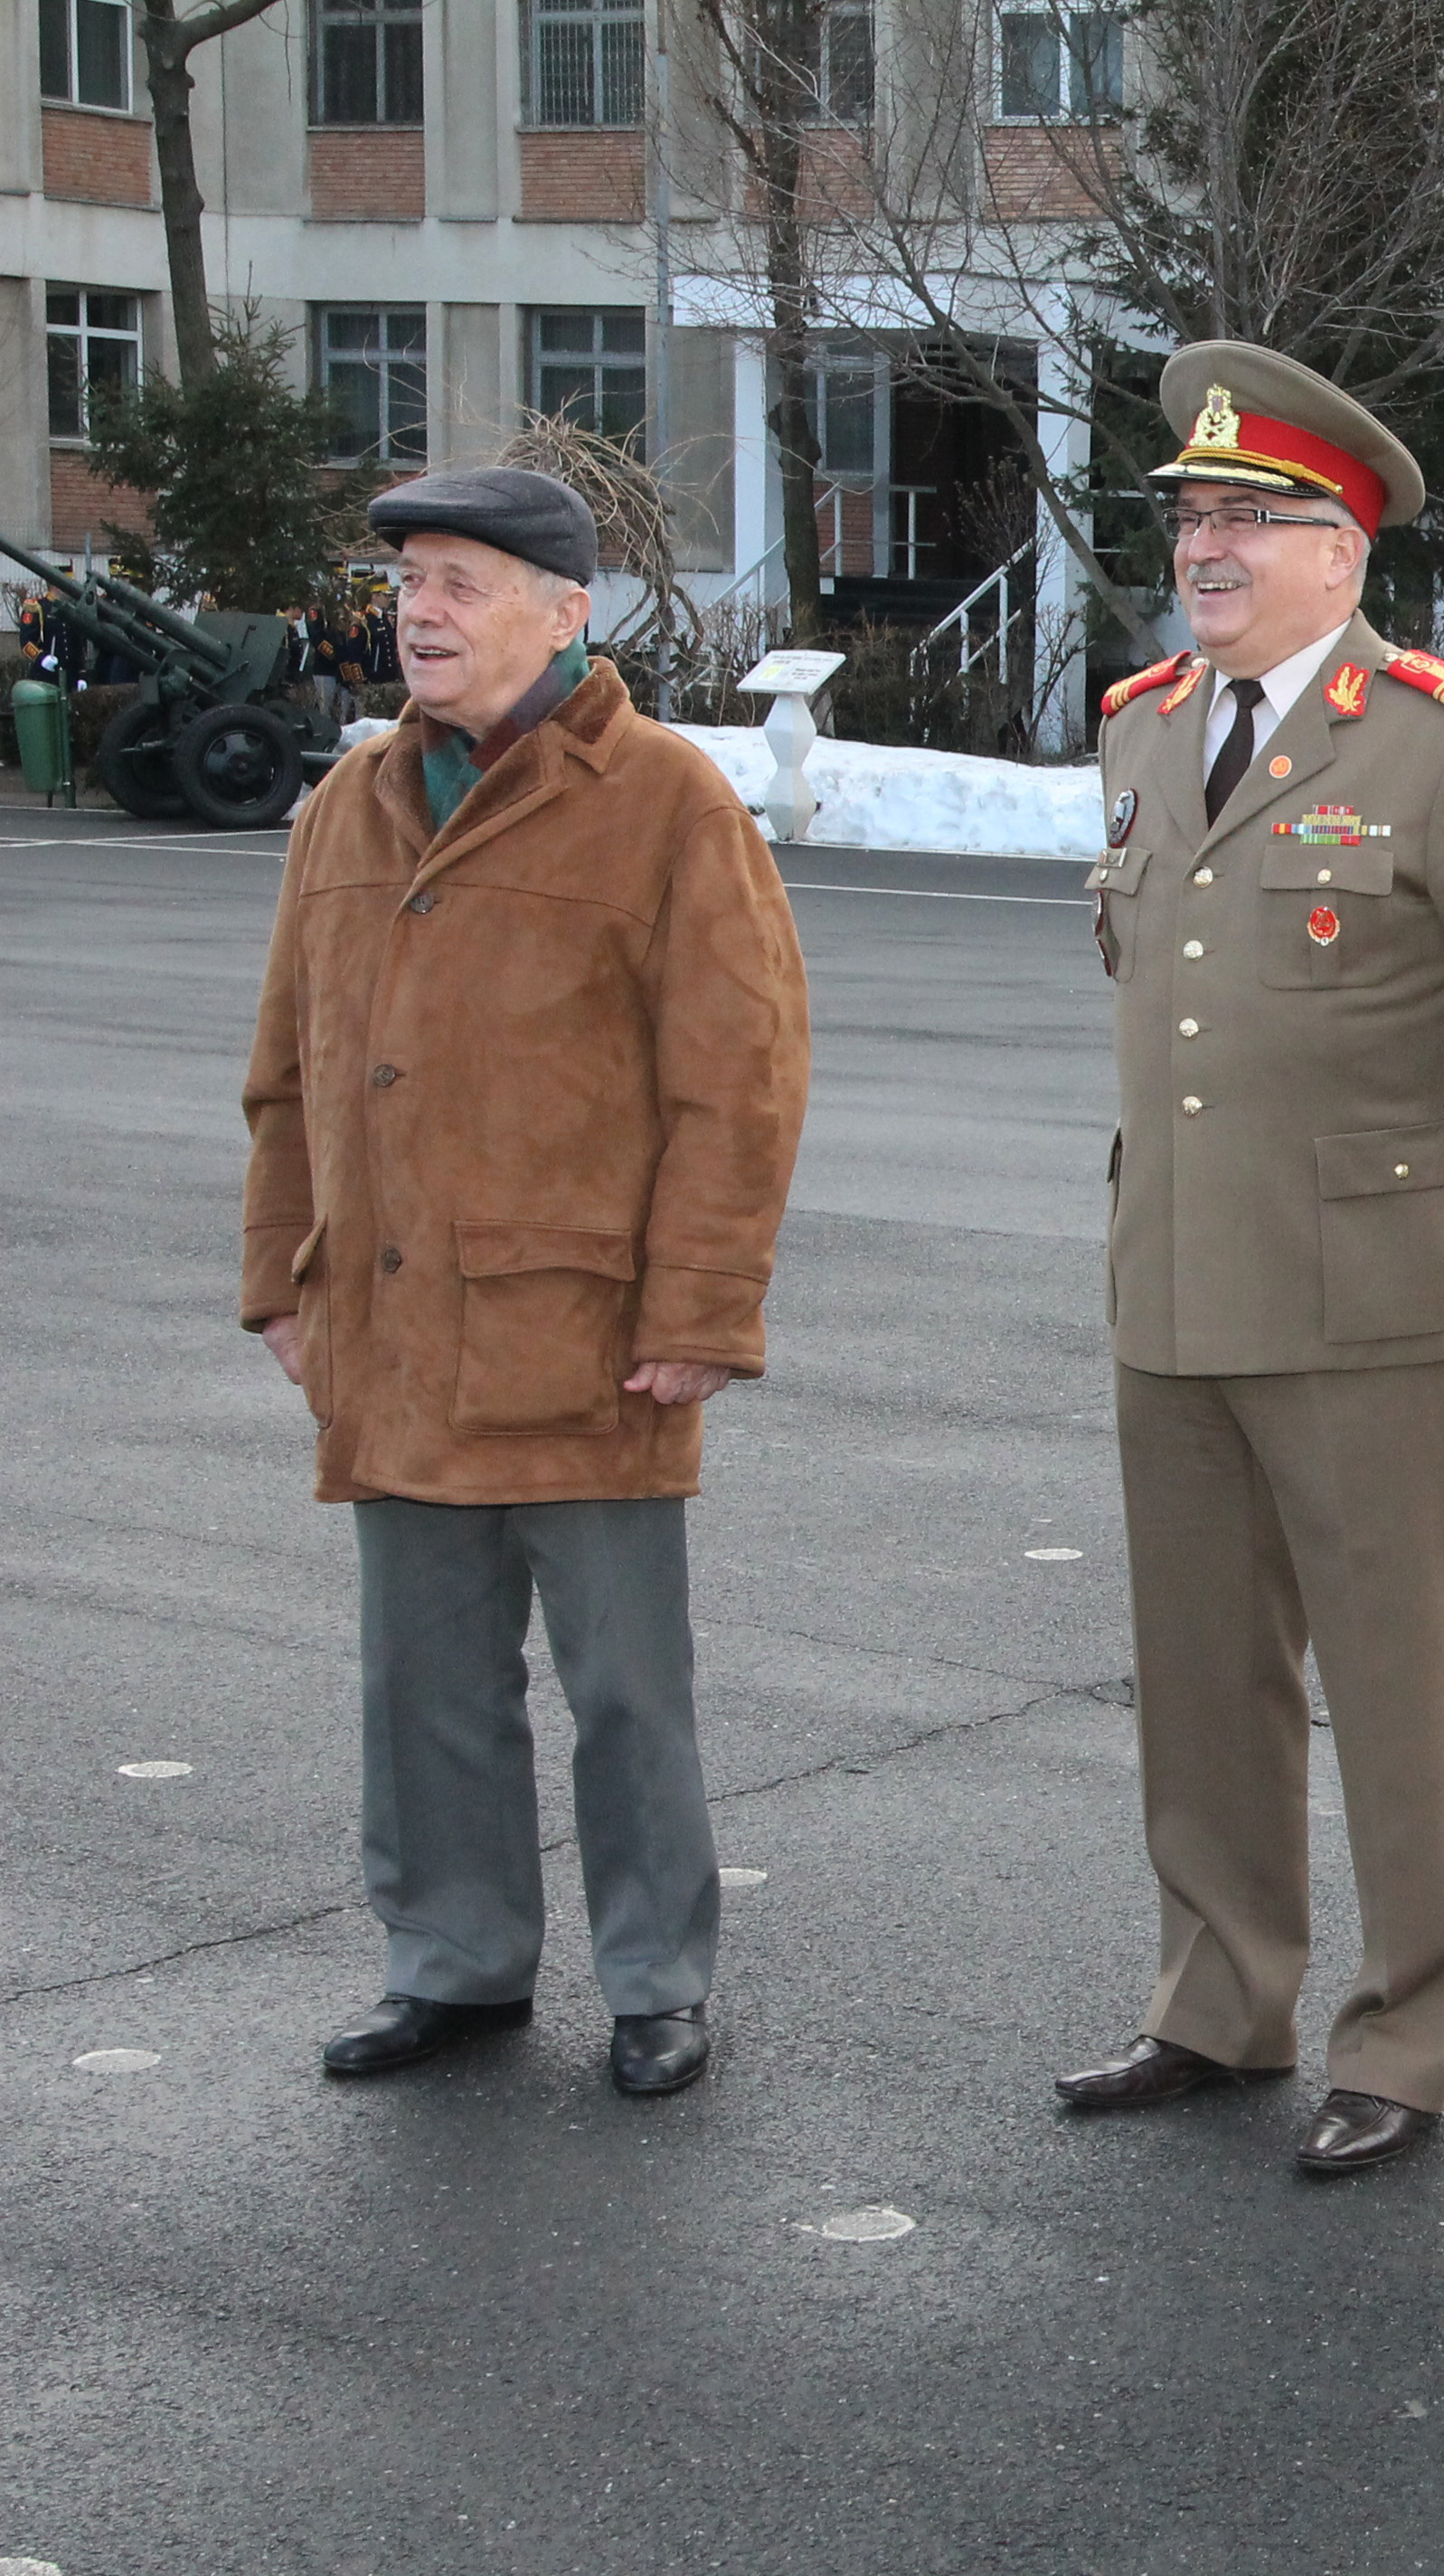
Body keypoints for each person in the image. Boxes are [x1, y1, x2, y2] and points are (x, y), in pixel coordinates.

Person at [1051, 345, 1444, 2174]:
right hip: (1178, 1282)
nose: (1206, 549)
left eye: (1249, 519)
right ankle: (1216, 1997)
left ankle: (1409, 2030)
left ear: (1342, 551)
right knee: (1202, 1671)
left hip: (1367, 1300)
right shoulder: (1140, 720)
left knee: (1392, 1680)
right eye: (1192, 516)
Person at [238, 465, 812, 2097]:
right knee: (423, 1681)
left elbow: (742, 1079)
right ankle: (458, 1964)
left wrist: (701, 1306)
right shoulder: (351, 803)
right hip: (395, 1329)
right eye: (413, 579)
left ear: (568, 614)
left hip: (586, 1335)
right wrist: (286, 1283)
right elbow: (288, 1068)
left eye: (462, 582)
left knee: (627, 1688)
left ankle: (656, 1981)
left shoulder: (664, 802)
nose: (421, 609)